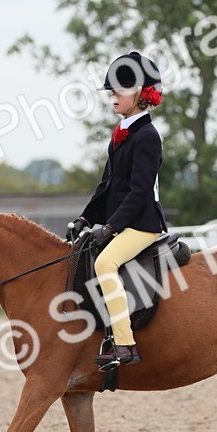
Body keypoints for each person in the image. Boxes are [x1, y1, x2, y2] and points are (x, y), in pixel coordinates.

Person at [67, 50, 168, 369]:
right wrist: (85, 218)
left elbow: (139, 192)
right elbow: (107, 185)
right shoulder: (121, 134)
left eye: (119, 91)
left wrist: (111, 227)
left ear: (140, 95)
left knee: (106, 263)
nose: (112, 96)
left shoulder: (148, 136)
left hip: (142, 223)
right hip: (123, 220)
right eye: (111, 90)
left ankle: (124, 344)